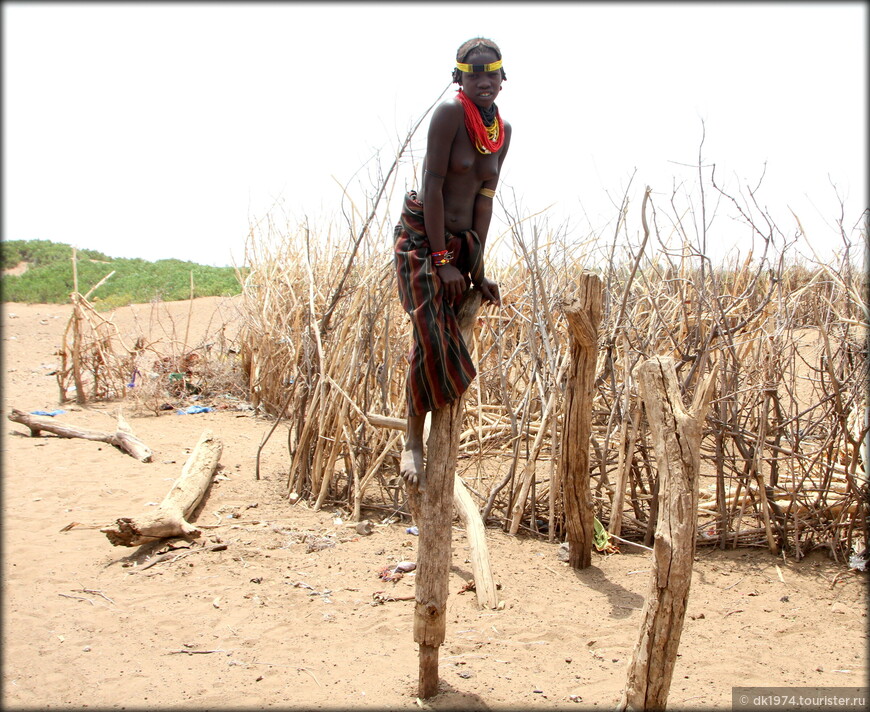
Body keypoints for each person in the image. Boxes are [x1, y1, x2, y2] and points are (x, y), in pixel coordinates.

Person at [394, 37, 512, 489]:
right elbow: (433, 186)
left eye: (492, 73)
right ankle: (412, 437)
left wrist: (476, 270)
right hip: (424, 239)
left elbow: (485, 200)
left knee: (449, 336)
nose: (484, 81)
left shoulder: (503, 132)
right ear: (459, 77)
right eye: (474, 73)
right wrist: (441, 260)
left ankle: (432, 437)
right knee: (430, 335)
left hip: (462, 245)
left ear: (504, 78)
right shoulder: (448, 116)